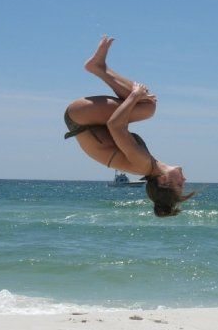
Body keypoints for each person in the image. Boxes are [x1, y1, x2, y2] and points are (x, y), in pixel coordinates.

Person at [64, 36, 195, 217]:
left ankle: (99, 68)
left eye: (179, 184)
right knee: (146, 105)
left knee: (147, 107)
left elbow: (115, 125)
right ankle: (98, 67)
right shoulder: (147, 165)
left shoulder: (143, 163)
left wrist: (134, 95)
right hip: (84, 119)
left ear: (164, 180)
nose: (184, 179)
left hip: (81, 117)